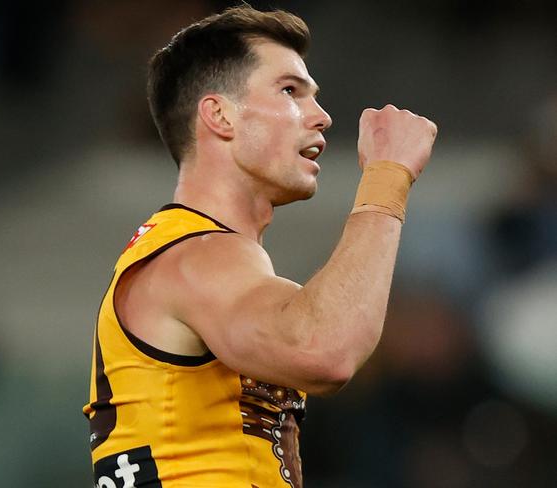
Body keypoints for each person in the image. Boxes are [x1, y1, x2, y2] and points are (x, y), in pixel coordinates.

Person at [83, 5, 437, 488]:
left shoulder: (188, 253)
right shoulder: (196, 255)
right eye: (290, 91)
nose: (322, 116)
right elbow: (323, 350)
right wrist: (388, 176)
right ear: (219, 115)